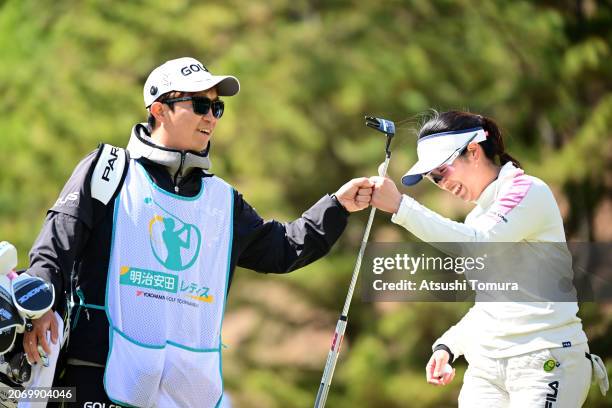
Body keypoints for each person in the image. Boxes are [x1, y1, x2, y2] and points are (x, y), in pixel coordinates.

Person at [22, 57, 374, 407]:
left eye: (217, 108)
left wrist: (338, 206)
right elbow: (54, 246)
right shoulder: (108, 170)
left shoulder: (221, 199)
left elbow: (282, 248)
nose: (210, 117)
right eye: (200, 104)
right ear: (159, 109)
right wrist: (39, 310)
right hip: (96, 375)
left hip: (179, 392)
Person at [368, 111, 607, 407]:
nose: (440, 183)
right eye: (432, 178)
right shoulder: (477, 217)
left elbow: (480, 244)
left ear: (473, 151)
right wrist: (449, 345)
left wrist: (401, 207)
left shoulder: (527, 191)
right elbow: (491, 304)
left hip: (546, 361)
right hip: (487, 368)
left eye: (441, 171)